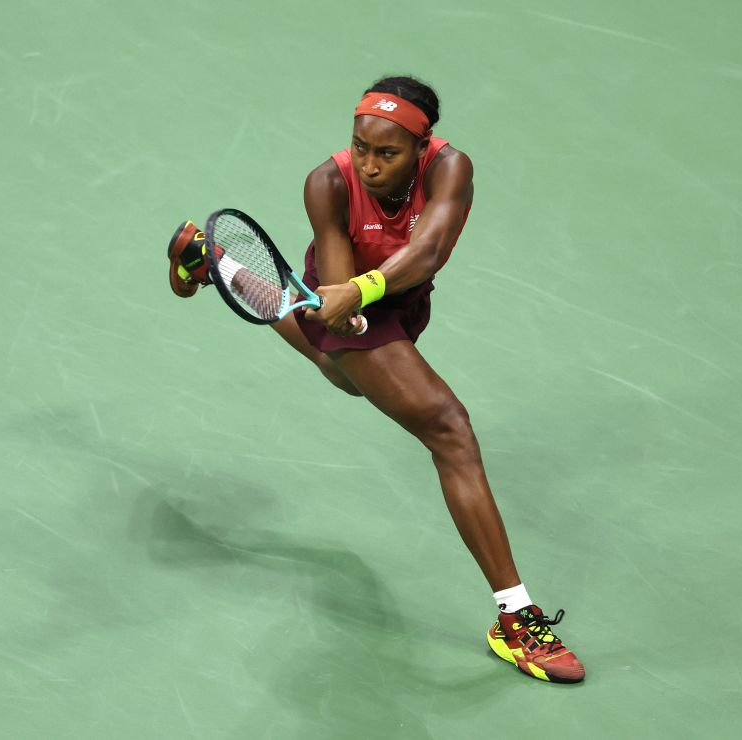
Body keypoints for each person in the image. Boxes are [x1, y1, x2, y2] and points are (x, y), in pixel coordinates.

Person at [167, 75, 584, 684]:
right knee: (450, 431)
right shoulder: (327, 183)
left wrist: (359, 294)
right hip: (351, 294)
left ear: (422, 147)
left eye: (386, 153)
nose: (367, 164)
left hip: (398, 294)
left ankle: (211, 261)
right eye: (360, 146)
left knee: (344, 378)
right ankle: (517, 620)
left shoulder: (452, 171)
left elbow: (431, 248)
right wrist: (346, 303)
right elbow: (341, 284)